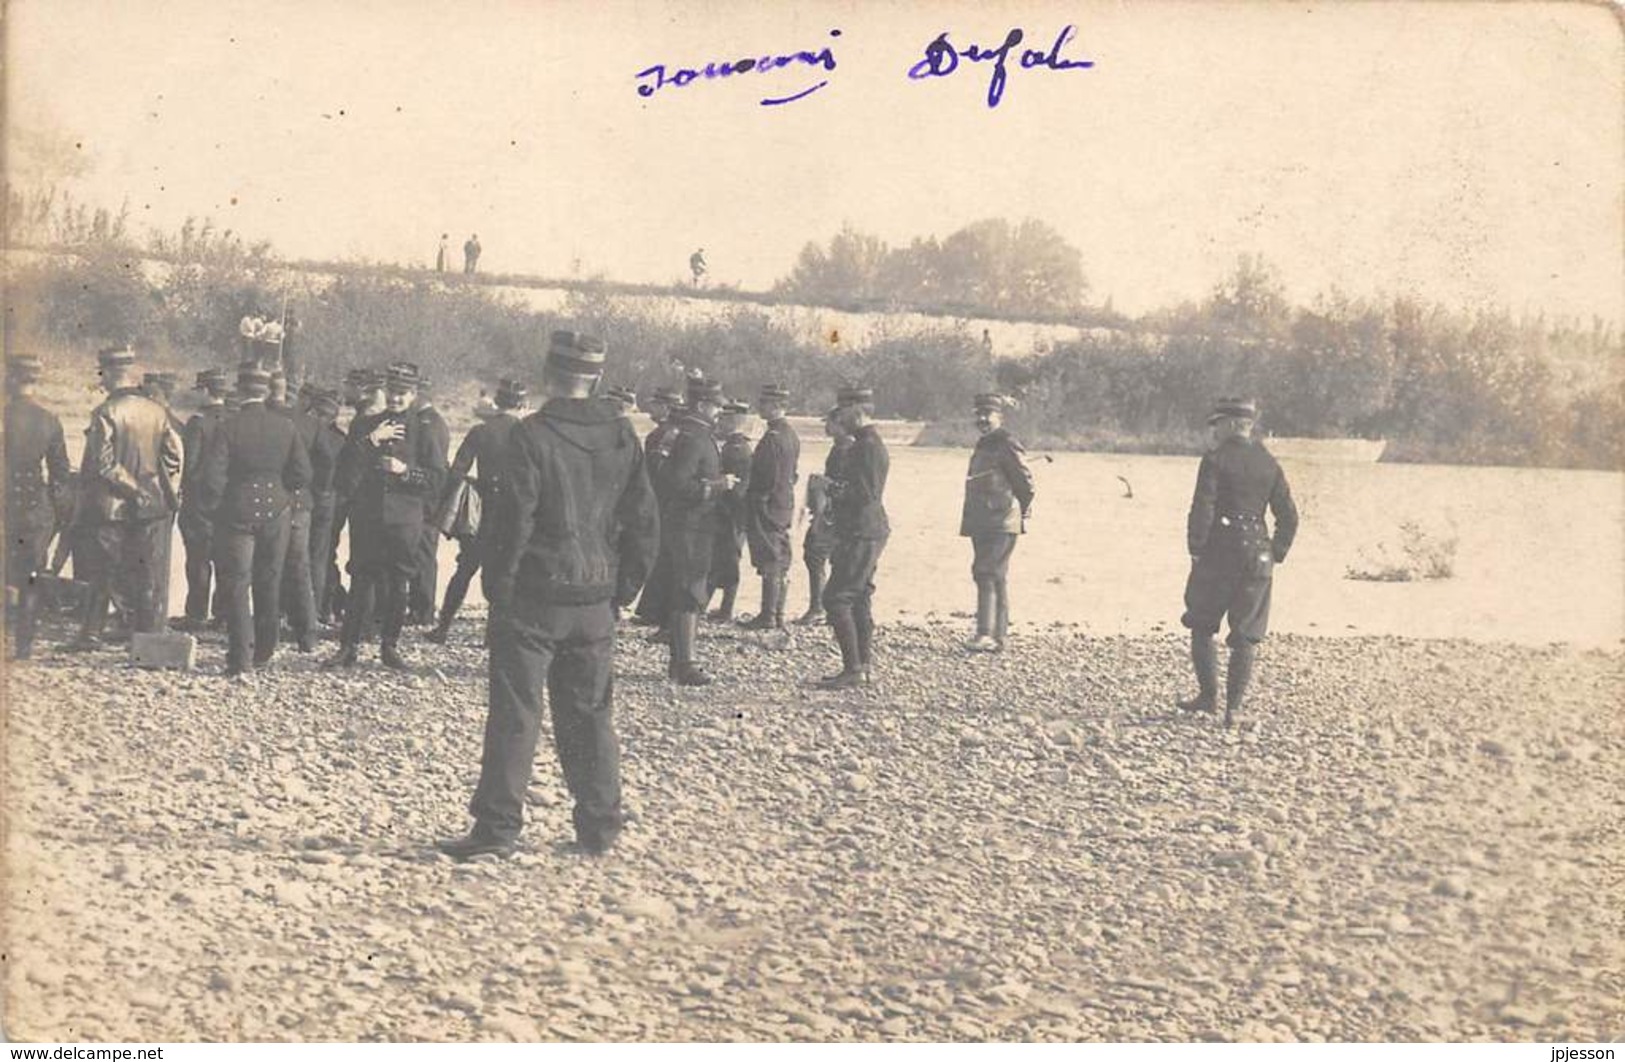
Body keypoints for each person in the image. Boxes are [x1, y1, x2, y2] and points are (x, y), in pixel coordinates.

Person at [440, 330, 658, 859]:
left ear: (546, 373)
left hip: (536, 596)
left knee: (517, 713)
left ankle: (497, 830)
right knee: (590, 714)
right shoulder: (623, 435)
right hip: (595, 597)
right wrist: (622, 589)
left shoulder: (531, 436)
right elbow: (646, 522)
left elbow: (513, 521)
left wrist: (501, 587)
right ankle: (599, 828)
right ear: (598, 377)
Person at [1177, 398, 1299, 727]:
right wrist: (1275, 551)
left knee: (1202, 623)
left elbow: (1203, 506)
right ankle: (1234, 709)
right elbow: (1289, 516)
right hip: (1258, 554)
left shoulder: (1215, 460)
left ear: (1231, 424)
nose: (1213, 431)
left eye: (1216, 424)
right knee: (1246, 633)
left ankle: (1207, 697)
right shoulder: (1269, 463)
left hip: (1219, 551)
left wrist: (1196, 548)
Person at [325, 362, 445, 670]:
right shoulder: (365, 425)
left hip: (405, 519)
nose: (395, 399)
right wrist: (371, 442)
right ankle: (348, 647)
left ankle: (390, 646)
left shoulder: (424, 429)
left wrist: (405, 471)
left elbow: (437, 479)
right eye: (392, 392)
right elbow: (345, 473)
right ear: (384, 391)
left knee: (398, 582)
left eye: (402, 393)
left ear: (414, 394)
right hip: (368, 517)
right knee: (361, 580)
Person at [68, 346, 184, 650]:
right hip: (150, 507)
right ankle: (144, 636)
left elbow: (102, 463)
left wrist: (132, 488)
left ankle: (91, 633)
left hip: (113, 507)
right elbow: (173, 458)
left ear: (109, 374)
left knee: (104, 571)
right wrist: (155, 488)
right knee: (145, 571)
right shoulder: (158, 412)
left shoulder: (105, 412)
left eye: (102, 374)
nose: (102, 381)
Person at [198, 365, 312, 676]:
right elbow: (303, 474)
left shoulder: (228, 427)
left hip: (236, 514)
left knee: (236, 583)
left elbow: (212, 479)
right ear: (264, 392)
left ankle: (239, 659)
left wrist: (212, 509)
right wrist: (280, 492)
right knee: (269, 580)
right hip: (277, 512)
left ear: (240, 390)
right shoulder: (286, 427)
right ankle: (265, 649)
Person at [426, 379, 527, 643]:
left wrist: (450, 503)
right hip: (514, 512)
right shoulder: (527, 434)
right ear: (522, 404)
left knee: (465, 568)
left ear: (497, 401)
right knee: (503, 570)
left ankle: (443, 627)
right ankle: (493, 634)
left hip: (482, 510)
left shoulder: (481, 432)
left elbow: (457, 471)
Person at [659, 375, 735, 685]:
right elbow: (677, 484)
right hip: (691, 526)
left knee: (689, 589)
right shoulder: (694, 438)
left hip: (694, 525)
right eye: (717, 407)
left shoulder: (694, 434)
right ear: (703, 406)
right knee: (689, 591)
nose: (719, 413)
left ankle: (681, 661)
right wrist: (720, 485)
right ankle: (684, 664)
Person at [817, 386, 888, 689]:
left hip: (862, 530)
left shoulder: (867, 446)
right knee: (858, 596)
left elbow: (865, 494)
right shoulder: (865, 443)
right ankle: (862, 666)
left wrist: (829, 487)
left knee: (836, 597)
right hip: (866, 529)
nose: (840, 415)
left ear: (857, 411)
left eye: (844, 410)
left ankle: (854, 668)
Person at [5, 355, 71, 659]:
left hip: (6, 500)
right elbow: (60, 472)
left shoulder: (4, 416)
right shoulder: (49, 419)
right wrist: (59, 514)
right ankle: (24, 646)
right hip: (35, 505)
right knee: (31, 574)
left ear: (11, 379)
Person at [960, 393, 1035, 652]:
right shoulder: (984, 443)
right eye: (978, 414)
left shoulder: (1006, 442)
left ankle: (986, 634)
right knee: (995, 575)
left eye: (987, 414)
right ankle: (998, 636)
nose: (981, 419)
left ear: (999, 417)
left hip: (1001, 520)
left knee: (986, 572)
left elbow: (1025, 483)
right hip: (984, 520)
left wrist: (1020, 512)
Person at [739, 383, 799, 630]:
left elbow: (768, 476)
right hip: (783, 503)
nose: (760, 407)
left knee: (770, 558)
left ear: (776, 406)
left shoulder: (774, 437)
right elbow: (791, 474)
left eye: (764, 403)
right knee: (779, 557)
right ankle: (776, 614)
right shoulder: (789, 434)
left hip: (769, 505)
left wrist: (758, 500)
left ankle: (769, 614)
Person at [177, 368, 232, 631]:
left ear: (206, 391)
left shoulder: (197, 423)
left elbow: (190, 466)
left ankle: (196, 614)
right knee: (225, 559)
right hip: (226, 501)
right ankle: (222, 614)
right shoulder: (233, 419)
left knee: (198, 560)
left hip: (198, 502)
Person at [276, 373, 324, 652]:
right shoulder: (312, 424)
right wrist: (314, 490)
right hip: (300, 502)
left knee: (269, 565)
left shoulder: (269, 421)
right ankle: (307, 633)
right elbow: (325, 462)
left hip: (274, 501)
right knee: (299, 567)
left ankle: (270, 628)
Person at [629, 385, 684, 628]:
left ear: (666, 408)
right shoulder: (670, 433)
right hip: (665, 502)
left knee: (657, 554)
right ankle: (652, 608)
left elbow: (655, 472)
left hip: (659, 502)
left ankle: (654, 610)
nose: (651, 407)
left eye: (656, 404)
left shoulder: (664, 434)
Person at [796, 406, 850, 626]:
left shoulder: (844, 449)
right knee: (824, 557)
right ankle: (830, 607)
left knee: (815, 554)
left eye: (829, 423)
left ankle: (820, 607)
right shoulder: (840, 447)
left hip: (832, 514)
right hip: (832, 512)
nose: (826, 427)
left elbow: (842, 483)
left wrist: (823, 486)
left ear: (839, 424)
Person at [705, 400, 753, 622]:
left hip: (731, 513)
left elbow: (738, 488)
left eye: (723, 419)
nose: (718, 423)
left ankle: (723, 609)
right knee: (724, 559)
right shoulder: (736, 447)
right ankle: (722, 607)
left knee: (727, 560)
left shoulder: (736, 450)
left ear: (731, 422)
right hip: (733, 512)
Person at [304, 387, 347, 630]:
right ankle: (322, 608)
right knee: (324, 555)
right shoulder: (341, 438)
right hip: (333, 503)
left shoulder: (311, 435)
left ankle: (313, 608)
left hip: (315, 499)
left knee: (312, 556)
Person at [409, 379, 451, 625]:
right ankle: (419, 606)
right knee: (421, 554)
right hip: (428, 499)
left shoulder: (429, 425)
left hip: (428, 501)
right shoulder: (429, 422)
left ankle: (423, 609)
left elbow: (436, 470)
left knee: (424, 554)